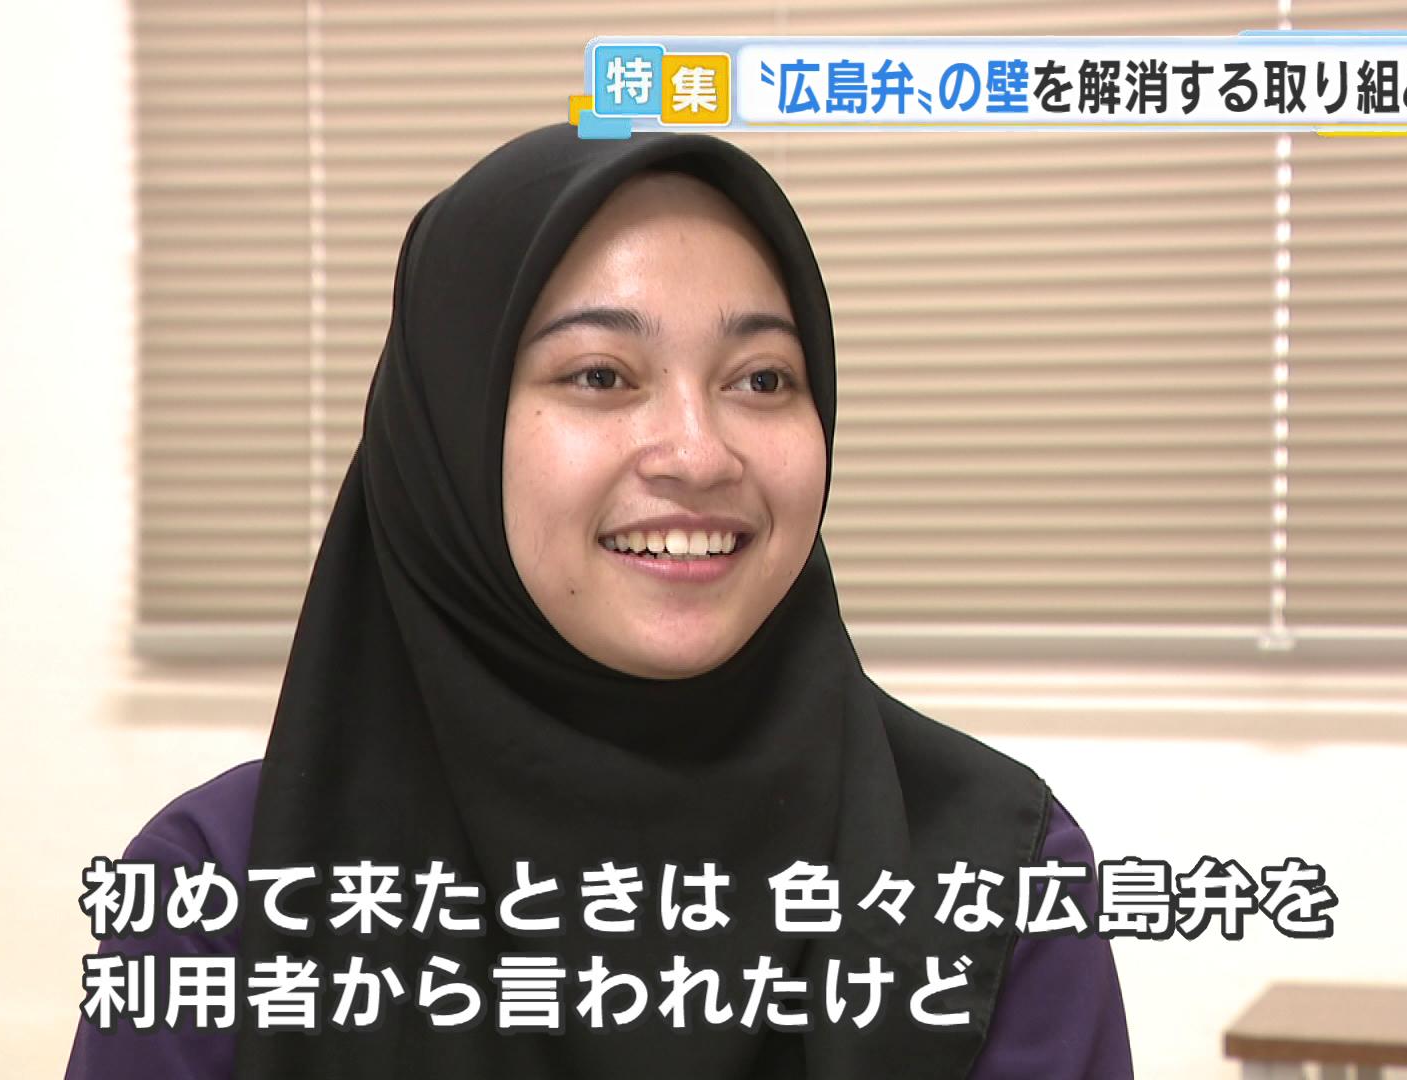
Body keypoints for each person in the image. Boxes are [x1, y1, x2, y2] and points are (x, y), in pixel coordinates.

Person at [66, 123, 1132, 1079]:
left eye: (762, 379)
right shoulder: (221, 892)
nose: (698, 454)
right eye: (600, 376)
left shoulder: (999, 879)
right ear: (449, 437)